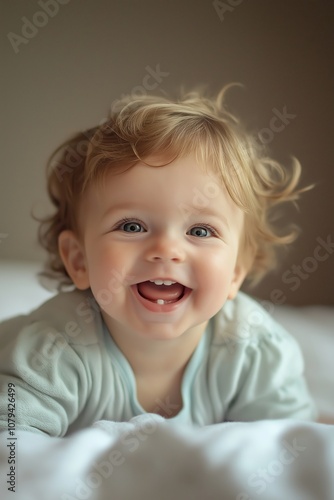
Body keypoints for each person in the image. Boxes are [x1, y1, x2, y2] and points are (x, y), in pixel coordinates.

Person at [0, 86, 316, 436]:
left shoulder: (254, 352)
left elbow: (292, 451)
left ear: (236, 273)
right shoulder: (54, 348)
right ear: (79, 260)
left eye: (200, 231)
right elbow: (12, 457)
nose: (166, 250)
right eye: (132, 226)